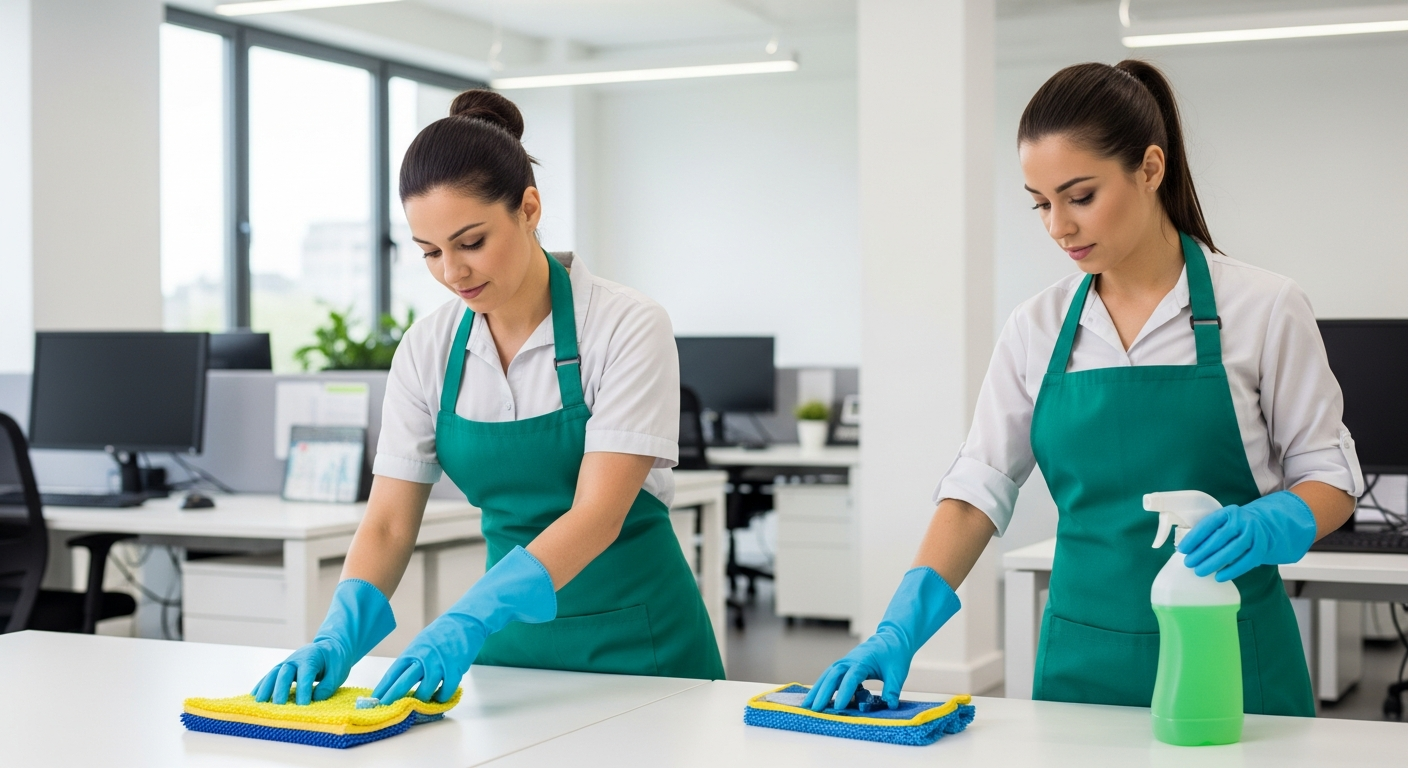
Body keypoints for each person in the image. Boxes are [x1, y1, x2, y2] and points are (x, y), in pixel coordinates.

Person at [805, 60, 1362, 716]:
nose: (1058, 227)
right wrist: (899, 628)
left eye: (1080, 196)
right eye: (1041, 203)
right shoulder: (1036, 328)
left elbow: (1329, 475)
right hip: (1081, 668)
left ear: (1150, 169)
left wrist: (1278, 521)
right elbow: (978, 488)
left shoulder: (1263, 308)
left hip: (1233, 661)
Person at [253, 90, 724, 707]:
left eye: (470, 242)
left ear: (528, 208)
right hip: (507, 656)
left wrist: (465, 618)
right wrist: (338, 633)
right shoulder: (427, 350)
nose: (452, 272)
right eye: (429, 252)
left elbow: (596, 515)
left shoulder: (624, 325)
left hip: (640, 648)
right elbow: (391, 521)